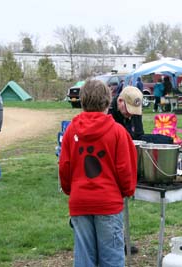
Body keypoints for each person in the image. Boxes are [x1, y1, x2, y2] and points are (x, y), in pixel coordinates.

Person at [59, 79, 137, 267]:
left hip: (80, 201)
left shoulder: (71, 131)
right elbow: (125, 168)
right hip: (108, 202)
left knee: (84, 259)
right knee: (111, 258)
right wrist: (127, 190)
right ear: (108, 101)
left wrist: (71, 190)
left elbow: (64, 166)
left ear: (82, 101)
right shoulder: (118, 132)